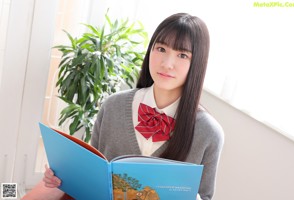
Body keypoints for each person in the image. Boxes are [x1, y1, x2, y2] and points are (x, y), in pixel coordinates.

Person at [42, 12, 224, 200]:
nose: (167, 64)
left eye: (182, 55)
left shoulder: (208, 133)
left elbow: (205, 196)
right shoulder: (113, 106)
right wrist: (62, 178)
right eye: (161, 49)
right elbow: (91, 173)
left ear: (198, 63)